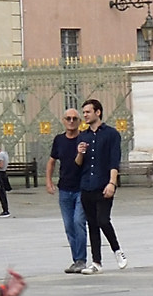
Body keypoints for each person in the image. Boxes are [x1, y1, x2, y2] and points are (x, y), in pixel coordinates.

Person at [80, 99, 128, 271]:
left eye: (88, 112)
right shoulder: (83, 136)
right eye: (84, 112)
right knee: (92, 224)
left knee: (103, 220)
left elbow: (114, 161)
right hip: (87, 185)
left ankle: (117, 250)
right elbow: (79, 163)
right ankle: (96, 262)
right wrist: (80, 153)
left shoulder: (111, 134)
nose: (85, 115)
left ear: (98, 112)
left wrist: (112, 183)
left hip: (103, 184)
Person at [47, 109, 91, 274]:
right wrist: (48, 181)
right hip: (64, 189)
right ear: (63, 120)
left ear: (79, 121)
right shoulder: (59, 140)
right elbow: (51, 161)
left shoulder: (84, 139)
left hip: (81, 188)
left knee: (78, 222)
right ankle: (76, 259)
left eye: (74, 118)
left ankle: (81, 260)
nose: (71, 121)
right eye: (68, 118)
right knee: (69, 226)